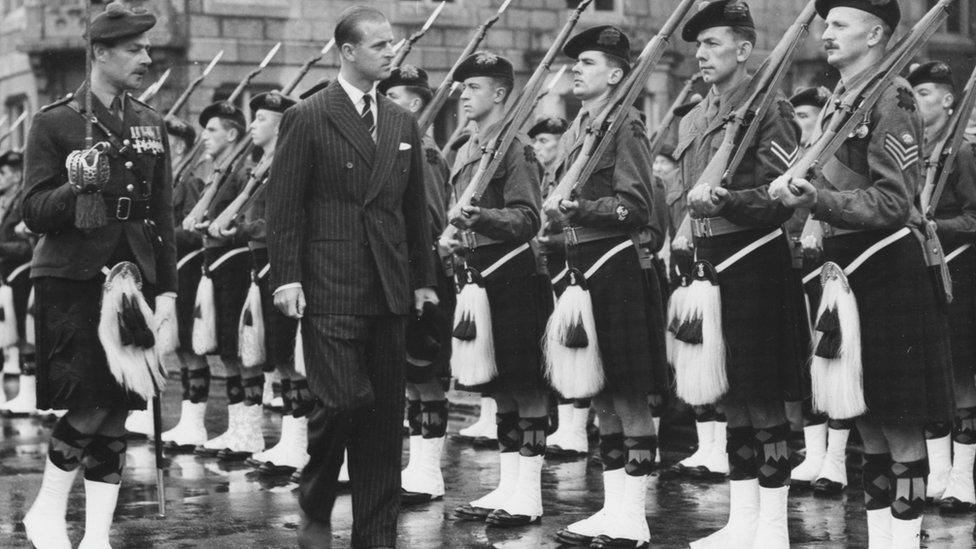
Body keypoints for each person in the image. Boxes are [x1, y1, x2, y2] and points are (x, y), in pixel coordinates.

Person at [770, 1, 954, 545]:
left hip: (887, 271)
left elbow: (894, 202)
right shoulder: (841, 100)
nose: (826, 33)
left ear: (875, 34)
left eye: (839, 24)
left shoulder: (891, 97)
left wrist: (819, 200)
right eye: (826, 24)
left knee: (897, 422)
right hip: (844, 270)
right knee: (867, 420)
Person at [265, 6, 437, 548]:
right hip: (329, 285)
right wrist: (287, 278)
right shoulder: (309, 116)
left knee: (384, 420)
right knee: (343, 401)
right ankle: (315, 497)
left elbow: (415, 213)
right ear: (348, 52)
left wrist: (423, 279)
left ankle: (376, 533)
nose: (392, 52)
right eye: (381, 45)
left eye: (393, 44)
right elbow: (285, 208)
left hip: (388, 288)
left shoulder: (402, 121)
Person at [19, 2, 177, 546]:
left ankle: (96, 535)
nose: (146, 58)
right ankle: (45, 512)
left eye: (147, 48)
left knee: (118, 411)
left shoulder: (150, 123)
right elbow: (33, 211)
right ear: (100, 53)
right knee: (88, 403)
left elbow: (163, 216)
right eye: (133, 50)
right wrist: (76, 186)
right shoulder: (55, 121)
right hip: (74, 277)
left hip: (135, 280)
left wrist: (169, 293)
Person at [675, 2, 804, 546]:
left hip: (753, 262)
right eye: (698, 45)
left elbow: (780, 199)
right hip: (710, 267)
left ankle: (771, 529)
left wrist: (727, 201)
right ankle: (742, 521)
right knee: (732, 396)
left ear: (744, 49)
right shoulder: (694, 115)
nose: (701, 55)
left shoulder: (770, 107)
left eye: (712, 43)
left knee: (763, 396)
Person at [542, 25, 666, 548]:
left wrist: (580, 208)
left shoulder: (626, 126)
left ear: (616, 74)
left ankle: (633, 517)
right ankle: (612, 508)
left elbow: (635, 206)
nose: (576, 68)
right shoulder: (581, 128)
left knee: (628, 393)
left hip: (614, 264)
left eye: (588, 62)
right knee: (602, 397)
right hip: (581, 263)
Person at [443, 51, 552, 528]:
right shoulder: (469, 147)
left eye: (474, 88)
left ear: (501, 93)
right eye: (463, 88)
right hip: (478, 274)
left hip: (513, 273)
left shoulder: (515, 147)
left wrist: (480, 218)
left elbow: (529, 217)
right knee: (500, 387)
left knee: (525, 385)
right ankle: (508, 484)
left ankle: (529, 494)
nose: (465, 95)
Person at [208, 90, 313, 476]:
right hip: (260, 264)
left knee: (288, 356)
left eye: (262, 119)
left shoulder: (288, 162)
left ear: (282, 125)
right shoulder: (262, 163)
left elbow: (285, 218)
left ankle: (299, 441)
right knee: (278, 355)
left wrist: (241, 226)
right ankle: (289, 439)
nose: (253, 125)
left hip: (279, 263)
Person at [378, 65, 455, 504]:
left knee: (425, 375)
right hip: (402, 274)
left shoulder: (422, 153)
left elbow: (425, 220)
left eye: (393, 98)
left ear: (413, 105)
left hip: (421, 275)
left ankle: (429, 473)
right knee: (410, 377)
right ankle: (417, 467)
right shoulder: (400, 149)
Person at [909, 61, 976, 513]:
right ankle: (936, 472)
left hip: (959, 270)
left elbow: (974, 217)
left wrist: (935, 226)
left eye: (927, 92)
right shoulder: (911, 150)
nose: (918, 101)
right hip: (919, 273)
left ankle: (963, 477)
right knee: (930, 378)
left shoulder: (962, 153)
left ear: (950, 100)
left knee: (962, 379)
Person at [784, 86, 855, 496]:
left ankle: (836, 459)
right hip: (793, 270)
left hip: (828, 267)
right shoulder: (795, 161)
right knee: (806, 361)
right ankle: (814, 453)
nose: (802, 125)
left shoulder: (833, 160)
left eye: (808, 116)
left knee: (834, 358)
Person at [184, 101, 263, 461]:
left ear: (232, 134)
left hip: (234, 264)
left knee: (240, 349)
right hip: (215, 264)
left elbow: (245, 222)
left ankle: (250, 430)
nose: (205, 136)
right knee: (228, 352)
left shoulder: (244, 170)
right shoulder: (218, 171)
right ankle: (237, 427)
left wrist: (219, 228)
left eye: (212, 130)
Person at [158, 115, 213, 449]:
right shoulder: (166, 180)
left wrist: (162, 236)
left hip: (187, 270)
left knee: (192, 348)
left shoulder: (189, 181)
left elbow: (193, 232)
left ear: (176, 144)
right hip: (170, 269)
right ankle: (187, 419)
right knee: (177, 347)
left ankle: (196, 423)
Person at [0, 150, 37, 417]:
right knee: (17, 335)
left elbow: (27, 246)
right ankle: (25, 390)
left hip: (23, 272)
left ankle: (29, 391)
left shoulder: (24, 198)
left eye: (3, 173)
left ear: (14, 174)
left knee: (28, 335)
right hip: (11, 274)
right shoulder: (8, 201)